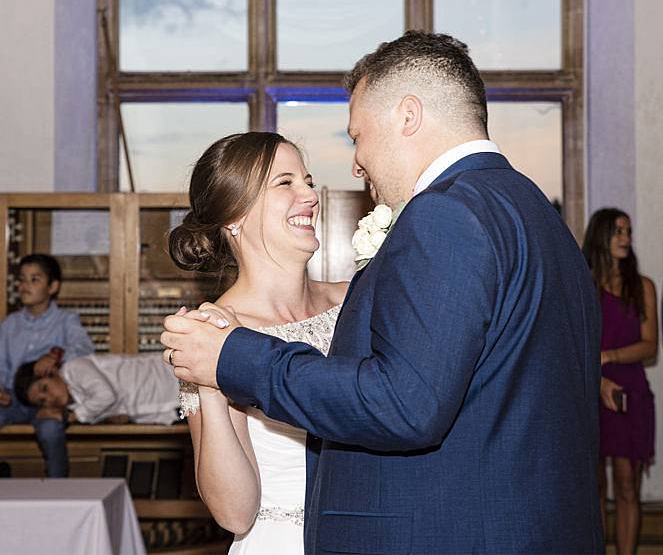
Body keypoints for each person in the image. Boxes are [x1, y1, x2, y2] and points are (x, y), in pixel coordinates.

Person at [162, 30, 604, 553]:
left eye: (357, 135)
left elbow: (406, 403)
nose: (354, 163)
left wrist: (235, 357)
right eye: (286, 182)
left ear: (408, 116)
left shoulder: (445, 215)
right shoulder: (535, 211)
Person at [164, 131, 347, 553]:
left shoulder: (352, 299)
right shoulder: (211, 334)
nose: (310, 194)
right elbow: (235, 514)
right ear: (235, 215)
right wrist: (210, 383)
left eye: (307, 179)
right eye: (285, 183)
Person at [0, 253, 95, 478]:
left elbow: (84, 349)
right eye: (22, 279)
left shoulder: (66, 320)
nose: (25, 286)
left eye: (35, 279)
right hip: (12, 399)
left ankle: (58, 490)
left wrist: (56, 355)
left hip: (47, 399)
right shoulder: (10, 324)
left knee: (51, 430)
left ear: (53, 286)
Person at [583, 208, 658, 554]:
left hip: (630, 390)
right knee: (594, 485)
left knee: (628, 486)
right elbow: (569, 342)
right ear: (600, 237)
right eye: (617, 232)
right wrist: (597, 373)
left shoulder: (642, 286)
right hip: (587, 392)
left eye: (628, 231)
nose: (626, 238)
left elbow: (650, 345)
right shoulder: (582, 283)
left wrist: (608, 357)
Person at [11, 351, 182, 425]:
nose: (49, 398)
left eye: (45, 388)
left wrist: (73, 417)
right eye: (42, 401)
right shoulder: (76, 405)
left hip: (173, 378)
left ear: (53, 372)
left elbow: (106, 396)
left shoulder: (73, 368)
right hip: (167, 409)